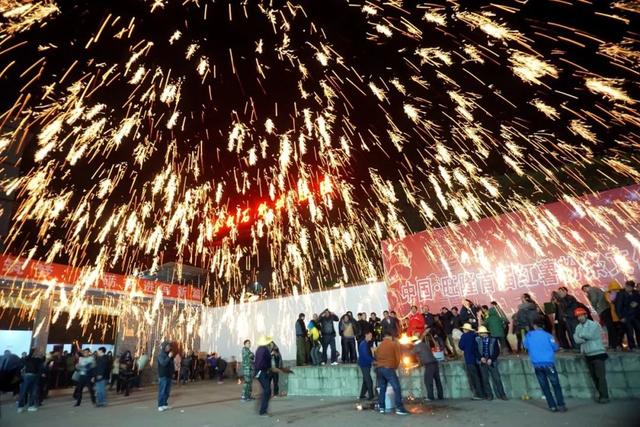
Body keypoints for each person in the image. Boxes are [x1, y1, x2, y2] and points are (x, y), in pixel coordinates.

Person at [524, 319, 566, 412]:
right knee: (555, 385)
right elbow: (555, 347)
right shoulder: (548, 335)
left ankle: (552, 406)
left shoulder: (529, 335)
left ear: (534, 325)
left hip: (537, 364)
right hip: (549, 363)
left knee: (544, 386)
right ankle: (561, 404)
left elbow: (526, 346)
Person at [573, 307, 610, 403]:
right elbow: (577, 340)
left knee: (600, 377)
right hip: (587, 354)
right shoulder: (578, 327)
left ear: (586, 315)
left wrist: (580, 335)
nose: (580, 318)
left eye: (581, 315)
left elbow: (589, 336)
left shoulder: (594, 324)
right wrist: (581, 336)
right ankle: (601, 394)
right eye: (578, 316)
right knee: (594, 377)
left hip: (598, 352)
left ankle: (604, 396)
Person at [375, 332, 409, 415]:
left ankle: (382, 407)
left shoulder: (379, 346)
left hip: (379, 369)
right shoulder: (393, 344)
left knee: (382, 388)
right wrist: (395, 366)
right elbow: (398, 357)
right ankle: (399, 408)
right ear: (390, 337)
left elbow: (376, 355)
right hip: (388, 368)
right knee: (396, 387)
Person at [476, 326, 508, 400]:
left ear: (486, 333)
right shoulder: (477, 340)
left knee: (497, 379)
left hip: (492, 361)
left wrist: (491, 359)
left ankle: (502, 394)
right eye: (480, 333)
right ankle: (489, 395)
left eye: (483, 333)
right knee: (485, 379)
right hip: (482, 362)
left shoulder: (493, 340)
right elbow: (476, 351)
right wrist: (481, 358)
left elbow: (496, 351)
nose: (482, 335)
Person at [413, 332, 443, 401]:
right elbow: (423, 355)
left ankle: (430, 397)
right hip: (435, 362)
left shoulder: (417, 346)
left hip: (429, 365)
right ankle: (440, 396)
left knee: (428, 381)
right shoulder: (424, 344)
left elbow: (411, 353)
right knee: (437, 380)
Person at [581, 284, 612, 348]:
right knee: (608, 326)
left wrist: (594, 306)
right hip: (606, 308)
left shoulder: (591, 290)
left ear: (587, 287)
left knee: (608, 326)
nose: (585, 292)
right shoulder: (597, 289)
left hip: (602, 309)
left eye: (584, 290)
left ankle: (612, 344)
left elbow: (594, 300)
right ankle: (612, 343)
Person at [458, 323, 483, 400]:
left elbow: (461, 346)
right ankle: (483, 393)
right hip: (477, 358)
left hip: (469, 358)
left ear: (465, 330)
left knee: (473, 377)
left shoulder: (464, 336)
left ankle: (478, 394)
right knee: (479, 376)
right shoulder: (475, 335)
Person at [616, 280, 640, 351]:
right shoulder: (621, 294)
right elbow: (618, 306)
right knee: (630, 331)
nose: (627, 288)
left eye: (629, 287)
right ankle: (632, 346)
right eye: (627, 286)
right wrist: (621, 317)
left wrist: (637, 304)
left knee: (638, 329)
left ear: (632, 287)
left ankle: (639, 345)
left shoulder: (636, 293)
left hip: (636, 315)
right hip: (626, 316)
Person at [17, 348, 43, 413]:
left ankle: (24, 406)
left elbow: (42, 361)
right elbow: (40, 369)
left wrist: (36, 352)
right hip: (31, 376)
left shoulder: (34, 359)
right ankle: (26, 406)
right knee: (28, 391)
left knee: (28, 391)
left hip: (30, 376)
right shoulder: (32, 359)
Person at [255, 336, 274, 416]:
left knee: (266, 390)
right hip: (262, 372)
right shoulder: (265, 350)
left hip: (259, 372)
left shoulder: (259, 349)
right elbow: (265, 362)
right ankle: (263, 411)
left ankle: (262, 406)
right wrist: (271, 354)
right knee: (267, 390)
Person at [157, 341, 175, 411]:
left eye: (169, 346)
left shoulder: (169, 355)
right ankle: (160, 405)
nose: (169, 348)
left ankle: (164, 404)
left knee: (167, 391)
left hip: (169, 375)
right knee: (162, 390)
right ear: (164, 347)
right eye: (167, 346)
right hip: (163, 375)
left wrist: (173, 372)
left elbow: (171, 364)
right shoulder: (161, 355)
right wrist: (169, 357)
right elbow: (163, 363)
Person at [358, 331, 375, 400]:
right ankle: (371, 396)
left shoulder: (366, 344)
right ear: (366, 335)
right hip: (364, 365)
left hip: (366, 364)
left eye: (371, 336)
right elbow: (365, 356)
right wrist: (373, 360)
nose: (371, 337)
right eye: (370, 335)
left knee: (365, 380)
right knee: (369, 381)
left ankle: (362, 395)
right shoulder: (363, 344)